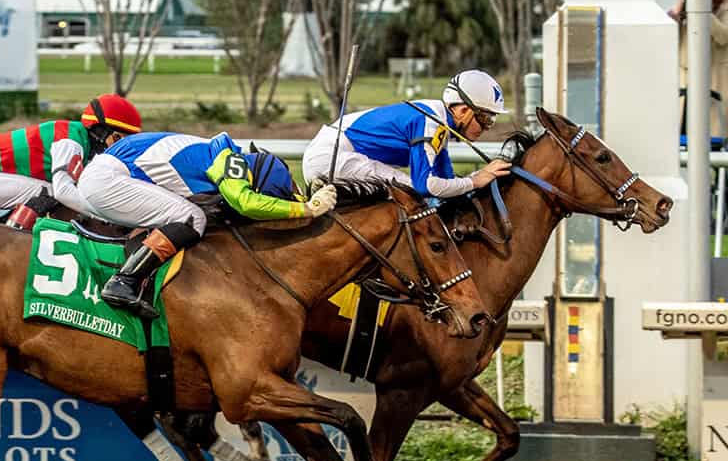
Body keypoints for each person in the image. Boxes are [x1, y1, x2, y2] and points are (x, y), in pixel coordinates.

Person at [78, 131, 338, 318]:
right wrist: (306, 209)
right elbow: (246, 202)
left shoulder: (220, 155)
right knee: (191, 218)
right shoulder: (231, 161)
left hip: (107, 176)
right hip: (107, 179)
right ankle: (124, 281)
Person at [302, 70, 511, 200]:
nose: (487, 128)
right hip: (330, 157)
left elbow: (446, 181)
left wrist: (475, 180)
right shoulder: (432, 122)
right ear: (463, 111)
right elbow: (426, 186)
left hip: (335, 155)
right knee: (410, 192)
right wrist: (475, 180)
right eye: (485, 119)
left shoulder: (440, 124)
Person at [0, 94, 142, 229]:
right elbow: (64, 192)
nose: (118, 147)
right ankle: (15, 236)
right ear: (100, 131)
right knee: (55, 194)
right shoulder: (70, 141)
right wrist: (105, 216)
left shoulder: (78, 138)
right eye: (117, 138)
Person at [669, 0, 728, 147]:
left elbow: (723, 36)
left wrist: (702, 11)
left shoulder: (724, 9)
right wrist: (678, 11)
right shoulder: (683, 15)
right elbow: (665, 39)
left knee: (713, 148)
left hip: (714, 91)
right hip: (686, 92)